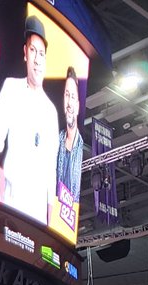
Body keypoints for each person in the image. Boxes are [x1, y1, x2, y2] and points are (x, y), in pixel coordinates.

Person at [0, 15, 58, 224]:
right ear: (25, 53)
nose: (37, 59)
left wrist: (50, 227)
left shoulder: (50, 111)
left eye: (41, 53)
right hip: (11, 207)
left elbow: (51, 170)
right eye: (33, 50)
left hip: (37, 218)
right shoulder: (12, 89)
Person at [56, 67, 83, 206]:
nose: (69, 104)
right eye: (67, 95)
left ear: (78, 106)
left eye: (73, 96)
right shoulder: (56, 141)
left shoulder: (79, 144)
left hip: (68, 217)